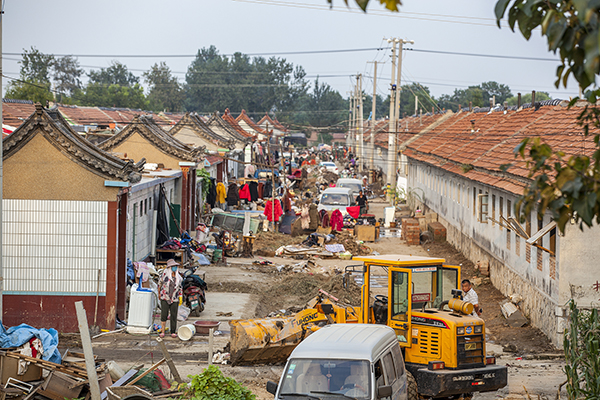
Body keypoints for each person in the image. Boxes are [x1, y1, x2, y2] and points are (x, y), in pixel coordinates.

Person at [159, 259, 183, 338]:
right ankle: (162, 331)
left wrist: (180, 297)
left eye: (175, 266)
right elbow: (159, 284)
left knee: (173, 315)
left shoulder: (178, 277)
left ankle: (173, 331)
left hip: (174, 298)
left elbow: (180, 288)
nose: (174, 268)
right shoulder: (165, 275)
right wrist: (159, 293)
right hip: (165, 297)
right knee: (164, 315)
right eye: (173, 267)